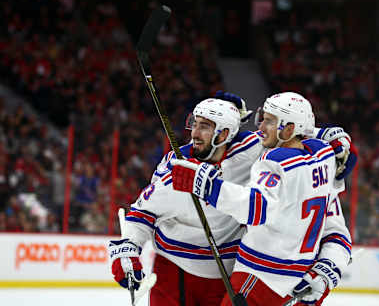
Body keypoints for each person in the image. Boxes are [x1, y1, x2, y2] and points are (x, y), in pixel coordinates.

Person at [108, 92, 355, 306]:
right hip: (174, 269)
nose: (194, 133)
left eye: (206, 126)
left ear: (225, 132)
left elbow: (295, 132)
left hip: (225, 272)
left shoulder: (254, 152)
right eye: (194, 124)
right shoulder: (176, 170)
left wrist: (327, 136)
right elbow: (142, 213)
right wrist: (128, 250)